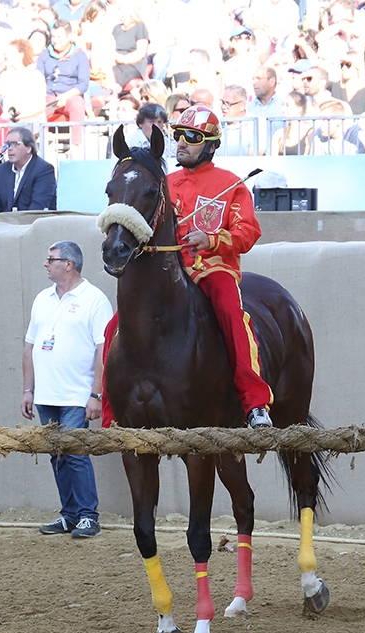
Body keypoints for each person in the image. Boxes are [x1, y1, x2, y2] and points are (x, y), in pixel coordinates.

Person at [109, 106, 273, 428]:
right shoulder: (162, 182)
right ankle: (111, 413)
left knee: (231, 312)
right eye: (179, 135)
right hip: (171, 269)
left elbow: (249, 232)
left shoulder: (232, 184)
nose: (182, 143)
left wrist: (211, 239)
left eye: (193, 137)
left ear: (211, 145)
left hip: (213, 270)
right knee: (115, 324)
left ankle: (255, 403)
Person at [21, 240, 112, 539]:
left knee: (74, 453)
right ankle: (69, 515)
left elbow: (104, 349)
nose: (46, 264)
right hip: (46, 395)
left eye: (51, 259)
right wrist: (28, 390)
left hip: (76, 393)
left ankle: (89, 516)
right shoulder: (42, 299)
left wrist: (96, 394)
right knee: (56, 454)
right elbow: (29, 346)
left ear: (69, 264)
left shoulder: (95, 299)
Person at [37, 21, 90, 152]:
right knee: (36, 107)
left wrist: (66, 96)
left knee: (78, 103)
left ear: (69, 37)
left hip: (69, 97)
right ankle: (41, 145)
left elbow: (83, 84)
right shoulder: (45, 54)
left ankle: (76, 145)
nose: (55, 40)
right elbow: (39, 79)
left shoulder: (79, 56)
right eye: (53, 36)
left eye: (59, 37)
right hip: (50, 98)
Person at [0, 125, 57, 212]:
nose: (9, 149)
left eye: (15, 144)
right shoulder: (1, 170)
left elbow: (38, 207)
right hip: (4, 223)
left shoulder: (44, 170)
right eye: (8, 144)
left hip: (32, 223)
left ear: (28, 148)